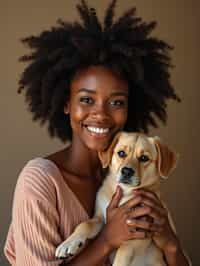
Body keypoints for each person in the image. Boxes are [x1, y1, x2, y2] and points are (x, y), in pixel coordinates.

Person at [4, 0, 191, 265]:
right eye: (86, 99)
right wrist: (106, 240)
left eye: (116, 102)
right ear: (66, 104)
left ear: (129, 109)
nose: (101, 114)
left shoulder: (127, 173)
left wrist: (171, 244)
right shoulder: (39, 182)